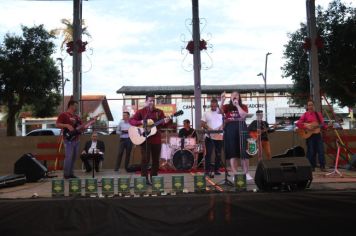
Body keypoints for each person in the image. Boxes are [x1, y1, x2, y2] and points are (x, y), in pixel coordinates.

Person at [129, 94, 170, 184]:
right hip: (144, 139)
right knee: (145, 160)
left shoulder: (159, 112)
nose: (152, 102)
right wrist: (141, 122)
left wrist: (167, 121)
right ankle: (144, 179)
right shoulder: (141, 112)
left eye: (153, 101)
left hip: (156, 139)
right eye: (150, 101)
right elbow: (131, 121)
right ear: (146, 101)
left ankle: (154, 179)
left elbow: (164, 125)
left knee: (156, 160)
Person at [220, 91, 253, 180]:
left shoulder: (243, 106)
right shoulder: (227, 107)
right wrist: (222, 100)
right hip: (230, 128)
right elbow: (220, 111)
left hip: (242, 127)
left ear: (239, 97)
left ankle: (246, 173)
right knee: (232, 152)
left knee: (244, 152)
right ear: (230, 98)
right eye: (232, 95)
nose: (234, 96)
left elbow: (243, 115)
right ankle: (235, 174)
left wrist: (237, 105)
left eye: (236, 95)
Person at [296, 100, 328, 172]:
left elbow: (322, 124)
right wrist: (306, 127)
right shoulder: (305, 114)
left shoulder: (318, 114)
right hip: (309, 136)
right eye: (309, 105)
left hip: (318, 135)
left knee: (321, 151)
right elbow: (298, 123)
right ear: (307, 106)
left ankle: (322, 166)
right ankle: (311, 166)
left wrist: (327, 126)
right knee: (311, 151)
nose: (310, 106)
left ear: (314, 106)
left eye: (311, 105)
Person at [56, 100, 82, 179]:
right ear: (71, 105)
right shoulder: (63, 114)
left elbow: (81, 126)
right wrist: (67, 125)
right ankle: (66, 174)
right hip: (68, 140)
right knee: (69, 157)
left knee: (74, 157)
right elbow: (57, 124)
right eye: (75, 105)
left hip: (76, 139)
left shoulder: (76, 117)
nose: (77, 107)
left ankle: (71, 173)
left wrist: (90, 122)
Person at [201, 98, 223, 176]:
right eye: (212, 106)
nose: (213, 107)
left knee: (218, 153)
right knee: (208, 153)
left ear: (217, 105)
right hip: (209, 136)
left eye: (215, 106)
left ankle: (216, 170)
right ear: (210, 105)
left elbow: (225, 121)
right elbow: (202, 123)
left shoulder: (220, 113)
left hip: (219, 136)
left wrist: (221, 127)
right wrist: (208, 128)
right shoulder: (206, 113)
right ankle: (207, 170)